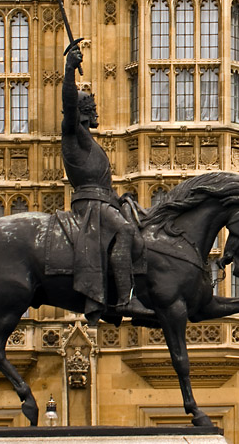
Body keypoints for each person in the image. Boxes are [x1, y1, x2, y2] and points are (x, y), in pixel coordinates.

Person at [62, 44, 151, 322]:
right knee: (124, 231)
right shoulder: (73, 132)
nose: (96, 111)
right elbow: (68, 104)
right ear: (84, 111)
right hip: (91, 205)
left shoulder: (89, 142)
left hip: (104, 200)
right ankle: (125, 299)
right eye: (92, 107)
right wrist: (68, 72)